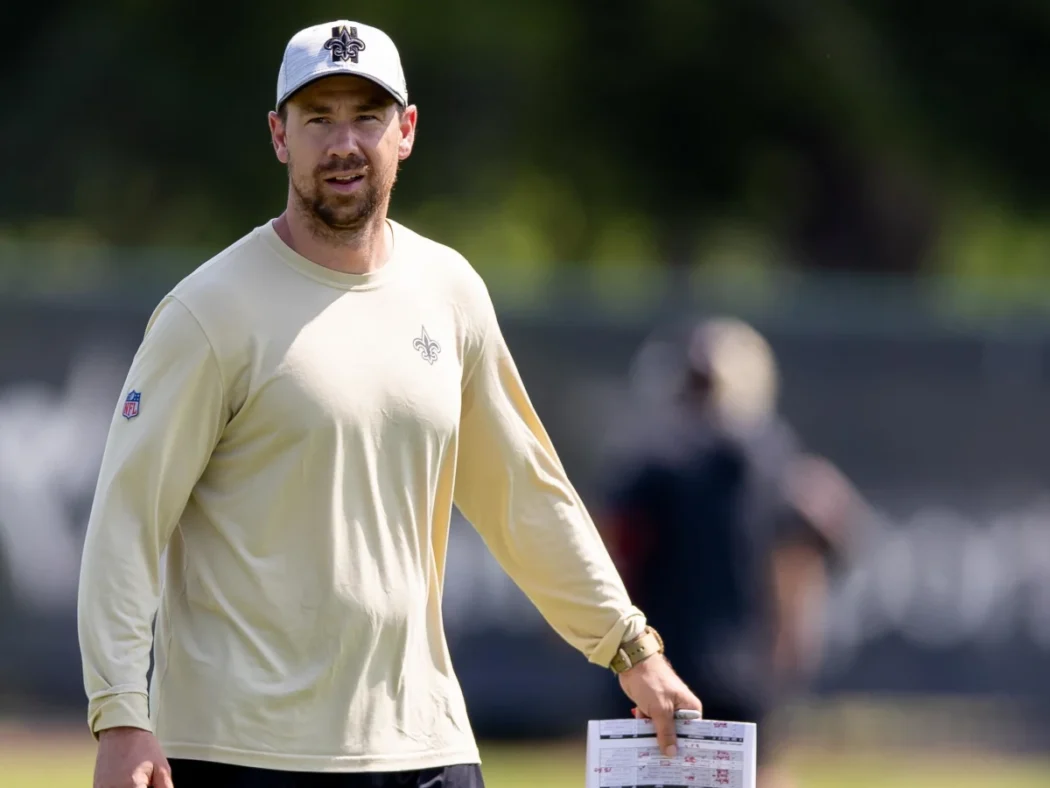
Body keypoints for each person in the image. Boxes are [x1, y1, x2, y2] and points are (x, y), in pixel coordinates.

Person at [76, 19, 701, 788]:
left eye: (367, 116)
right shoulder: (208, 312)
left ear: (405, 132)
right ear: (279, 136)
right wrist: (121, 716)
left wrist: (630, 647)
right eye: (318, 119)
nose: (344, 143)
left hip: (423, 746)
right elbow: (126, 522)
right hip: (241, 752)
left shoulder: (450, 292)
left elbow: (524, 494)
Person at [598, 316, 857, 788]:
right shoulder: (772, 455)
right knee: (760, 773)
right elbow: (809, 546)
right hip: (743, 665)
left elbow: (614, 553)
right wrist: (790, 650)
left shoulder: (649, 459)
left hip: (654, 661)